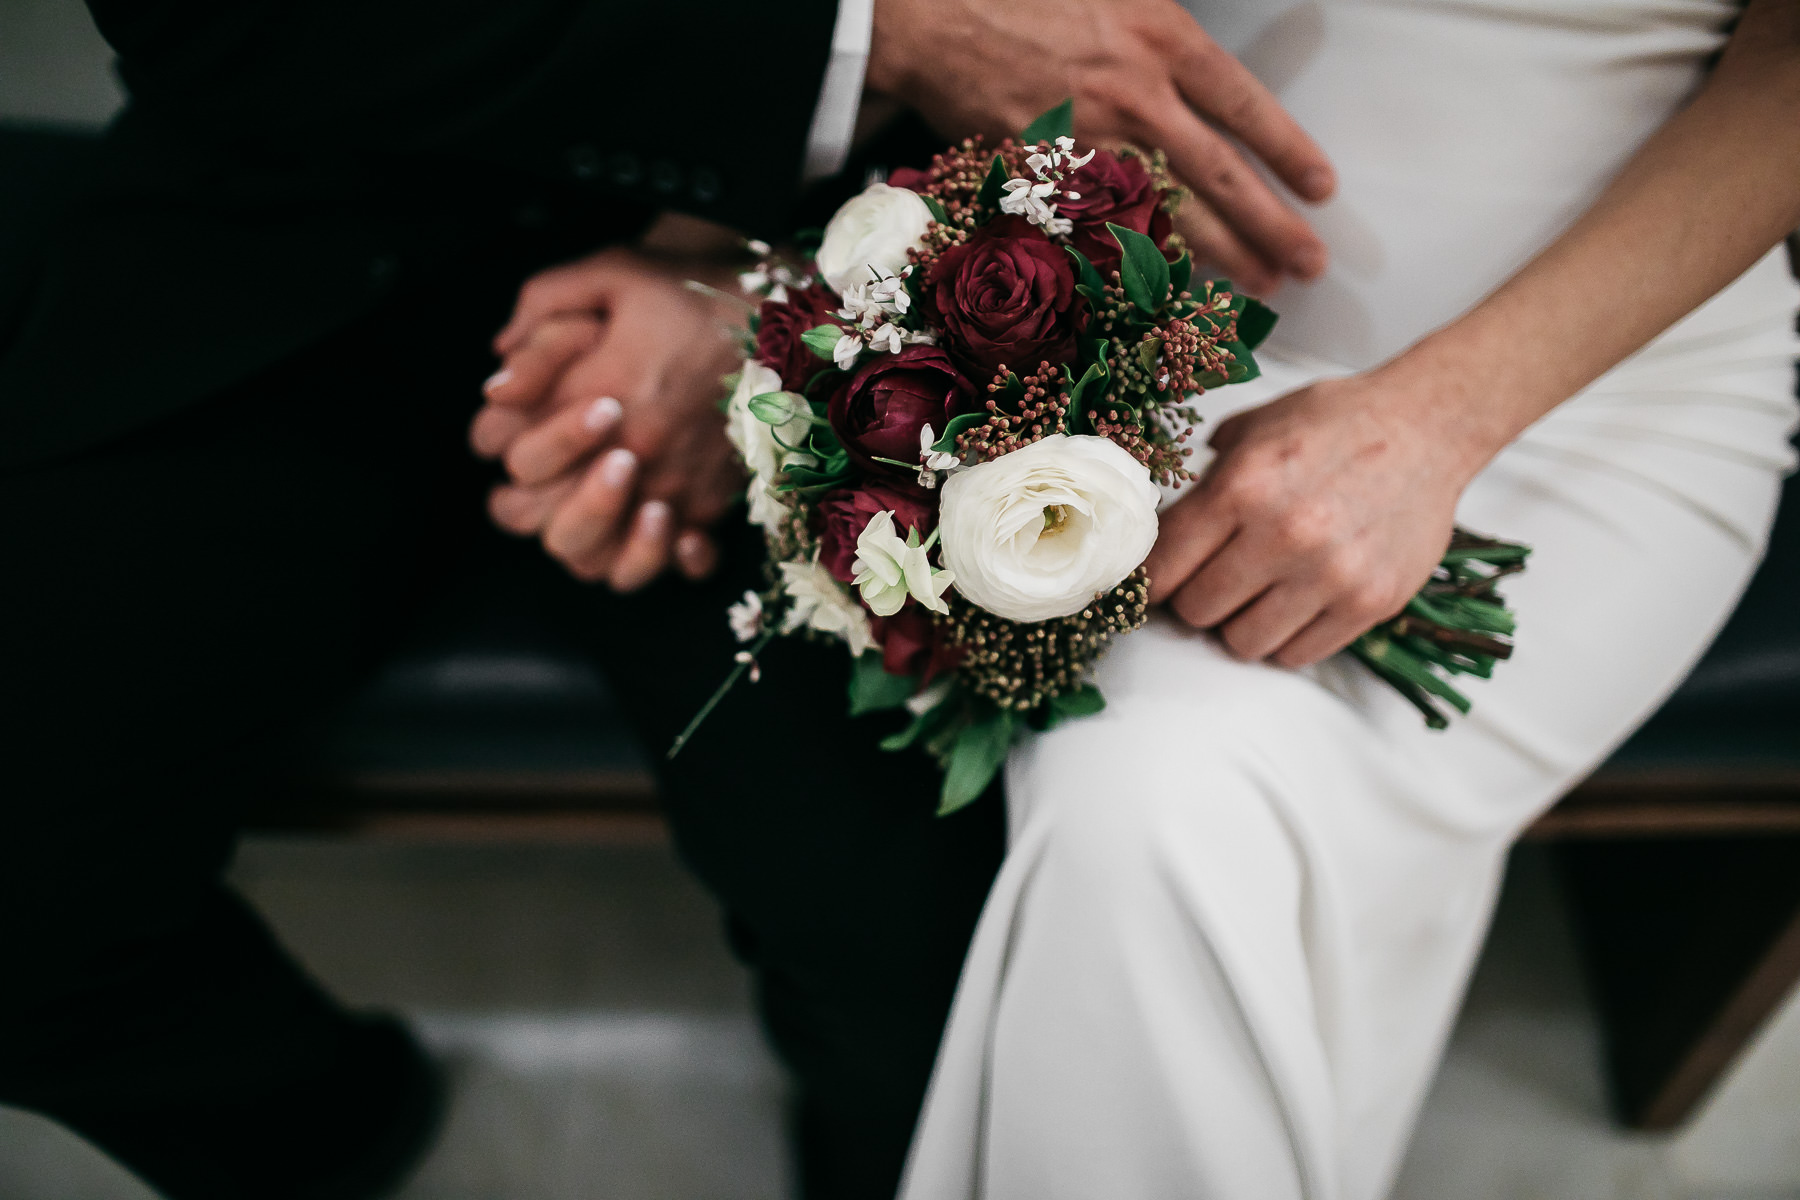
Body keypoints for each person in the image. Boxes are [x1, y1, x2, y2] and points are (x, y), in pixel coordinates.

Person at [0, 2, 1332, 1198]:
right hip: (320, 201)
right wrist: (866, 34)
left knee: (931, 956)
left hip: (854, 221)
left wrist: (743, 278)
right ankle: (338, 1136)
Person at [478, 0, 1800, 1197]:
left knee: (1155, 820)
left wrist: (1439, 422)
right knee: (1123, 814)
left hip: (1579, 380)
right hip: (1103, 323)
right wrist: (722, 253)